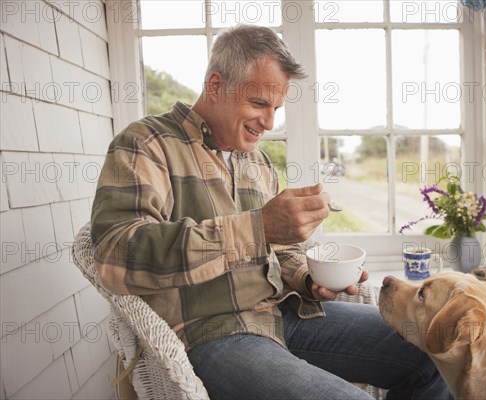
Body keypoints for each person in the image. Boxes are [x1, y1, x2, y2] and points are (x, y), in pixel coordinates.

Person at [91, 24, 450, 399]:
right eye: (259, 104)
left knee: (433, 348)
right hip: (213, 334)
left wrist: (309, 280)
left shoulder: (256, 161)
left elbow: (279, 252)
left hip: (285, 315)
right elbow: (116, 256)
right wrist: (256, 227)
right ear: (215, 86)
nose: (269, 122)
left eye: (276, 108)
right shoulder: (147, 145)